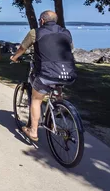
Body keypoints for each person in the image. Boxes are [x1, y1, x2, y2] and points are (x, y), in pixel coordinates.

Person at [10, 10, 77, 141]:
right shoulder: (66, 33)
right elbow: (70, 48)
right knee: (57, 86)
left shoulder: (35, 32)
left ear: (42, 21)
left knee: (36, 99)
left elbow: (22, 48)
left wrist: (14, 57)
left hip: (47, 73)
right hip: (68, 73)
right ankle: (57, 108)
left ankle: (33, 131)